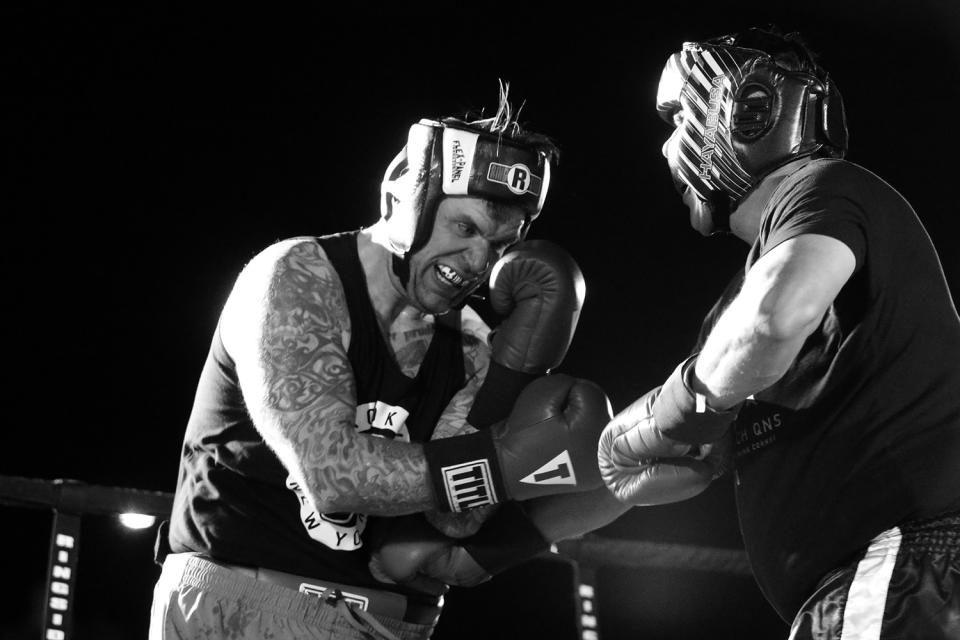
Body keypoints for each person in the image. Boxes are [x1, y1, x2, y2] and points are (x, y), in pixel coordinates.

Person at [150, 88, 629, 640]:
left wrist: (517, 380)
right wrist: (502, 460)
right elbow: (330, 474)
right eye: (466, 228)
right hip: (247, 609)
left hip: (391, 625)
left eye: (501, 245)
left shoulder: (473, 347)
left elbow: (452, 521)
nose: (478, 262)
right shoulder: (296, 281)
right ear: (408, 197)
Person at [598, 27, 960, 639]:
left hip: (906, 569)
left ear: (751, 111)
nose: (666, 152)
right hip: (884, 583)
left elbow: (774, 320)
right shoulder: (741, 301)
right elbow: (721, 408)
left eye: (678, 119)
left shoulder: (823, 189)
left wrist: (679, 406)